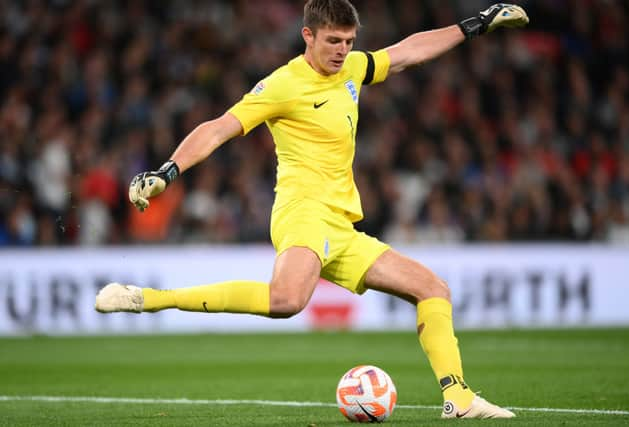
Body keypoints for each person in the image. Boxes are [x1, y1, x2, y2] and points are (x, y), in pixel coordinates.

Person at [96, 0, 528, 419]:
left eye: (349, 41)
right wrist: (167, 172)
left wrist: (475, 25)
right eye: (334, 40)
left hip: (341, 225)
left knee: (433, 289)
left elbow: (406, 53)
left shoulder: (353, 69)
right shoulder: (283, 84)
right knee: (287, 300)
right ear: (308, 35)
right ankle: (149, 299)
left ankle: (459, 399)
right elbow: (219, 128)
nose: (343, 50)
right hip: (301, 211)